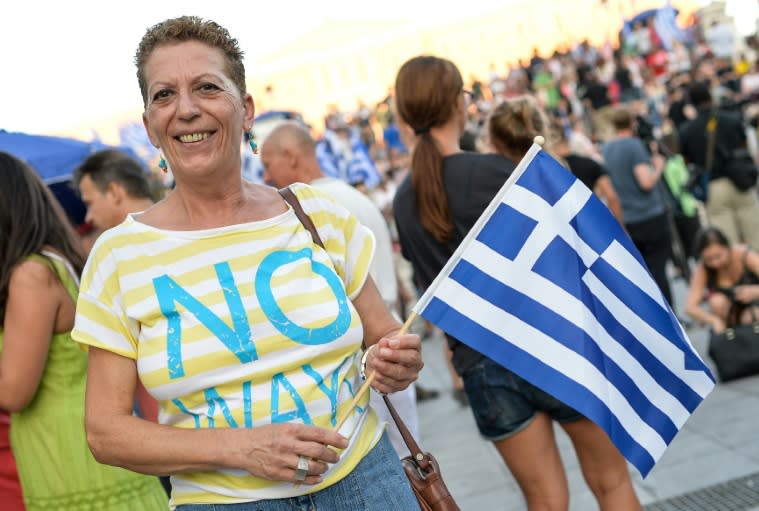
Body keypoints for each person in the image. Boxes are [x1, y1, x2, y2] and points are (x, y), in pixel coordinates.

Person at [71, 16, 422, 511]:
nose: (186, 109)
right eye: (164, 95)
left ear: (247, 109)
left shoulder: (315, 215)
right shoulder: (118, 257)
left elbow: (384, 337)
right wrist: (239, 448)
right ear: (150, 125)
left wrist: (392, 360)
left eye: (207, 88)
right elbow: (106, 433)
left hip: (368, 483)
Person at [392, 55, 641, 511]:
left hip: (481, 363)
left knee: (544, 501)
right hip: (555, 343)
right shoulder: (493, 172)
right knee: (612, 484)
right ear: (456, 103)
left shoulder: (404, 200)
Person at [0, 152, 168, 510]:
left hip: (70, 452)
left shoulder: (31, 274)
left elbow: (13, 391)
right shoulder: (50, 262)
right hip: (64, 446)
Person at [259, 120, 420, 459]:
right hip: (383, 351)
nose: (266, 177)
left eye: (268, 164)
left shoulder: (319, 206)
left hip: (365, 364)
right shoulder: (349, 195)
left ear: (289, 156)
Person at [73, 148, 171, 495]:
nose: (89, 213)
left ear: (114, 191)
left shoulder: (116, 252)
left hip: (164, 428)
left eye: (89, 201)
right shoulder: (186, 227)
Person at [679, 81, 759, 257]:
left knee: (728, 243)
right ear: (710, 96)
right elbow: (745, 146)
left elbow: (687, 160)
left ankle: (737, 278)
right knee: (758, 237)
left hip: (714, 187)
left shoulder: (687, 130)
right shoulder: (731, 118)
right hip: (741, 180)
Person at [602, 106, 674, 307]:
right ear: (632, 123)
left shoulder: (607, 149)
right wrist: (658, 166)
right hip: (650, 215)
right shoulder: (633, 146)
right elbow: (646, 182)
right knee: (659, 270)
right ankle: (671, 316)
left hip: (628, 218)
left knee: (645, 273)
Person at [685, 226, 759, 333]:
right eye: (709, 259)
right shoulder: (703, 269)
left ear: (727, 247)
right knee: (716, 301)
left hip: (757, 305)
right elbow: (690, 307)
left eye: (718, 256)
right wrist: (713, 320)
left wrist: (757, 292)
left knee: (750, 317)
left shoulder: (744, 254)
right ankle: (734, 338)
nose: (715, 263)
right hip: (730, 314)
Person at [550, 122, 623, 222]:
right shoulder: (589, 164)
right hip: (594, 220)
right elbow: (611, 196)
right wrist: (620, 227)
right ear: (567, 140)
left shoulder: (552, 171)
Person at [74, 149, 155, 235]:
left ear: (113, 193)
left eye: (89, 203)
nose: (88, 218)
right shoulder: (169, 226)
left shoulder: (111, 245)